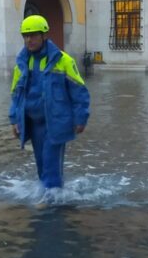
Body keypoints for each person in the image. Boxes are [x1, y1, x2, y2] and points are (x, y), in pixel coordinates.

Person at [9, 15, 90, 190]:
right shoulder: (22, 63)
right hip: (34, 123)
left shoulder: (63, 60)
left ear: (44, 35)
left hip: (56, 122)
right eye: (25, 36)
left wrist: (81, 118)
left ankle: (51, 202)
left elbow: (79, 92)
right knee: (41, 163)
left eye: (33, 35)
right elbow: (16, 93)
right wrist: (14, 119)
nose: (29, 40)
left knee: (51, 162)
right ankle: (51, 194)